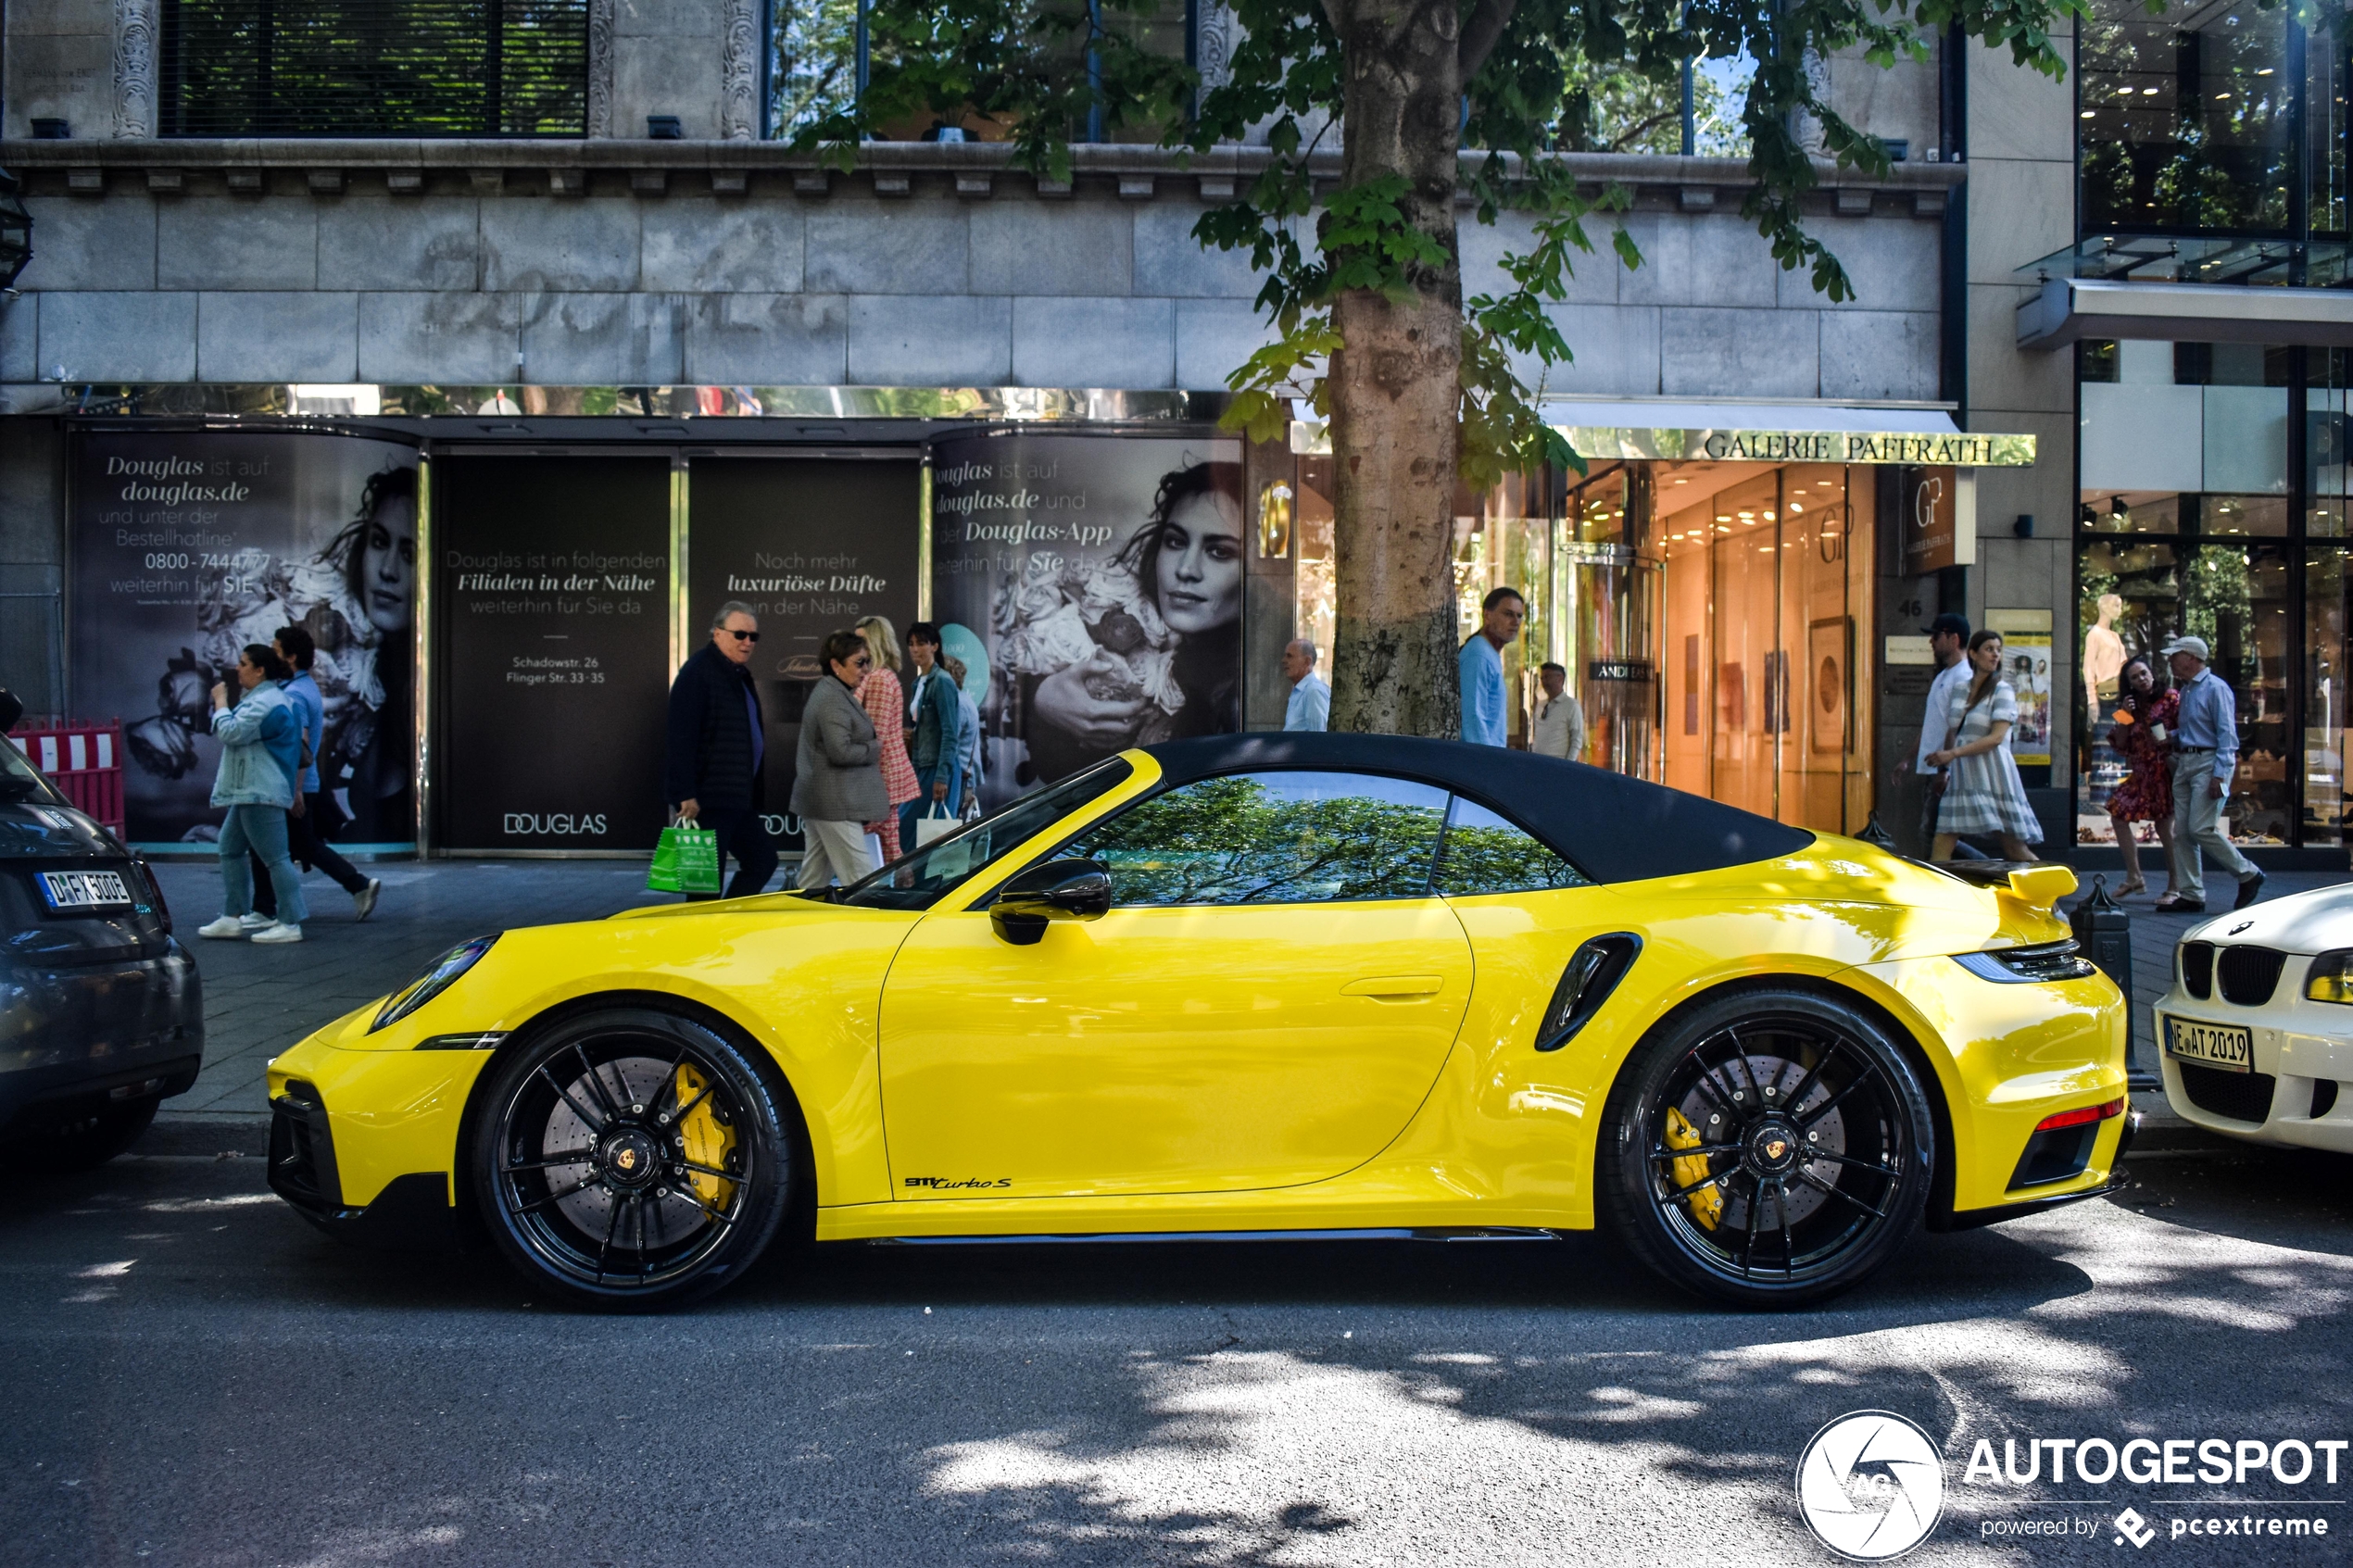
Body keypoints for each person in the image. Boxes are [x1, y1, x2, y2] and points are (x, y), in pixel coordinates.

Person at [1024, 461, 1245, 779]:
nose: (1186, 569)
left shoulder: (1248, 687)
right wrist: (1043, 697)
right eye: (1176, 541)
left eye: (1220, 551)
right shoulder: (1116, 617)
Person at [249, 624, 381, 924]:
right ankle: (264, 905)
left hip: (292, 782)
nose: (272, 655)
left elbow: (301, 743)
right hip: (300, 781)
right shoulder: (305, 686)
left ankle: (267, 907)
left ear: (291, 657)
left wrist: (295, 791)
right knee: (289, 843)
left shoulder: (294, 694)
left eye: (276, 650)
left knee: (280, 844)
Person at [664, 601, 779, 900]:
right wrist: (684, 792)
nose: (747, 642)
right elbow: (680, 736)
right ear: (717, 633)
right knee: (702, 886)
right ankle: (698, 943)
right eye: (740, 634)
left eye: (753, 637)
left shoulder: (737, 674)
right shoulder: (698, 673)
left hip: (737, 798)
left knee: (763, 861)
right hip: (707, 800)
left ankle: (726, 919)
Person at [195, 644, 308, 945]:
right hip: (251, 789)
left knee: (276, 858)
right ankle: (233, 916)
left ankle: (290, 921)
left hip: (260, 789)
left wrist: (220, 702)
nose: (237, 668)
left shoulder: (267, 702)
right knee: (229, 848)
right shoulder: (266, 699)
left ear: (260, 670)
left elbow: (231, 732)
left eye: (243, 663)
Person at [2160, 634, 2265, 913]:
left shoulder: (2216, 688)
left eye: (2175, 655)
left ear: (2192, 658)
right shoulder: (2188, 690)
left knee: (2200, 828)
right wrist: (2171, 737)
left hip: (2207, 763)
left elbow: (2227, 737)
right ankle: (2191, 894)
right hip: (2187, 762)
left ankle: (2248, 873)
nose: (2171, 660)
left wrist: (2220, 775)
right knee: (2182, 832)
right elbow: (2195, 730)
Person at [1927, 630, 2043, 862]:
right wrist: (1944, 769)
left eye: (1998, 650)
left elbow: (1996, 738)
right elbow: (1954, 731)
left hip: (1993, 773)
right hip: (1963, 775)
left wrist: (1952, 754)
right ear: (1973, 653)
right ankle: (1936, 896)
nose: (1995, 655)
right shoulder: (1960, 689)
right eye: (1989, 649)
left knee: (2014, 849)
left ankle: (2051, 897)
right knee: (1941, 843)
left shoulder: (2003, 690)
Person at [794, 631, 888, 890]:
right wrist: (873, 747)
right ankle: (874, 930)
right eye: (859, 662)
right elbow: (840, 751)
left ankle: (793, 925)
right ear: (836, 665)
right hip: (834, 804)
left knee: (812, 883)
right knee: (862, 883)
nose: (866, 669)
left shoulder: (834, 692)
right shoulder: (832, 698)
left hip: (826, 802)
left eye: (867, 661)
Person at [2105, 655, 2178, 898]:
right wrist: (2125, 713)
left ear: (2152, 673)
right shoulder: (2126, 706)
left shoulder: (2170, 697)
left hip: (2163, 771)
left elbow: (2186, 728)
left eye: (2144, 673)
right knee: (2118, 814)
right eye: (2135, 677)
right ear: (2130, 684)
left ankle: (2175, 885)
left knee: (2165, 828)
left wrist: (2168, 736)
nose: (2141, 679)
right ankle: (2134, 876)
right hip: (2141, 773)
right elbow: (2119, 741)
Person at [853, 616, 921, 864]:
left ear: (876, 642)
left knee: (883, 848)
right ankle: (898, 893)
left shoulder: (880, 678)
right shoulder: (878, 676)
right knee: (885, 846)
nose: (855, 645)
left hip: (880, 779)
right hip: (879, 779)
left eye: (861, 640)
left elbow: (875, 735)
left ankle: (897, 896)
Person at [901, 621, 963, 847]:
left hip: (938, 768)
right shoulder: (918, 683)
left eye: (921, 643)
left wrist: (942, 776)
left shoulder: (943, 682)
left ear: (934, 646)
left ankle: (933, 882)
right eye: (911, 644)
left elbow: (950, 732)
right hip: (922, 764)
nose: (915, 649)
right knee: (911, 832)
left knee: (928, 836)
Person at [1916, 613, 1974, 849]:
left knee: (1937, 837)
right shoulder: (1943, 675)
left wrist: (1945, 769)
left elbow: (1956, 727)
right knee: (1935, 836)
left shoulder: (1963, 677)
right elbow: (1934, 723)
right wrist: (1909, 760)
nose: (1931, 641)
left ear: (1953, 639)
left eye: (1936, 636)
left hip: (1946, 771)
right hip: (1934, 767)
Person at [1460, 587, 1523, 746]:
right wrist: (1488, 764)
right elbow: (1473, 719)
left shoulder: (1488, 653)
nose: (1515, 622)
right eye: (1508, 614)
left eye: (1519, 616)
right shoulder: (1478, 654)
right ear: (1487, 615)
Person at [943, 654, 985, 818]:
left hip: (957, 781)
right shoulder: (964, 699)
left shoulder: (956, 703)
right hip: (962, 778)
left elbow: (948, 740)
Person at [1529, 661, 1584, 760]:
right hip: (1537, 763)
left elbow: (1576, 740)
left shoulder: (1571, 706)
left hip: (1558, 765)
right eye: (1542, 678)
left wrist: (1568, 765)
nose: (1544, 682)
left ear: (1560, 679)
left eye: (1547, 677)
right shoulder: (1541, 706)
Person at [1282, 638, 1329, 732]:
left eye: (1289, 656)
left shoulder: (1313, 691)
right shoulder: (1300, 691)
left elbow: (1319, 735)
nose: (1283, 660)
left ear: (1307, 661)